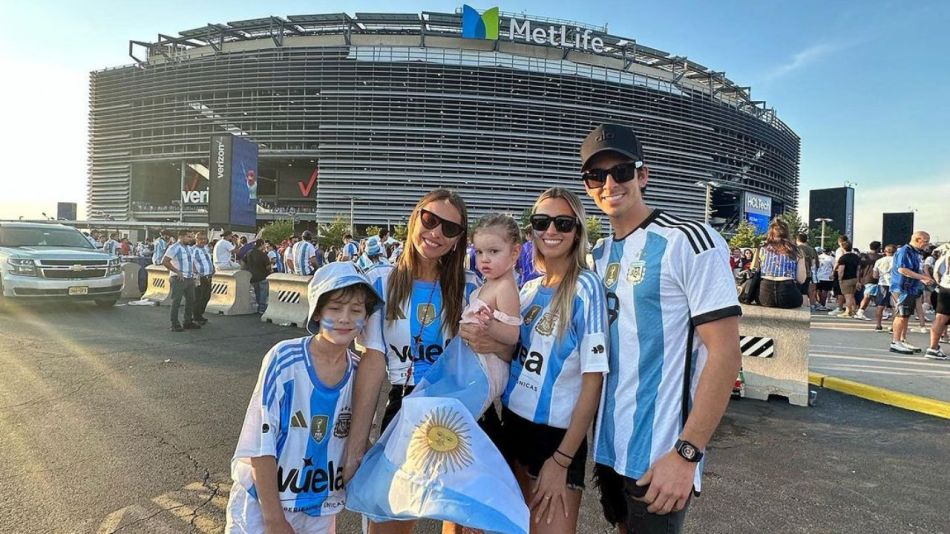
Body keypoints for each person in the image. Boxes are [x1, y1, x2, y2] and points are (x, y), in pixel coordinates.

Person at [578, 124, 741, 533]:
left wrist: (688, 453)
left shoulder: (689, 240)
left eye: (622, 171)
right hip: (608, 447)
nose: (610, 183)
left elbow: (725, 353)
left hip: (660, 453)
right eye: (597, 176)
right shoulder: (598, 254)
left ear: (643, 175)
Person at [343, 189, 480, 534]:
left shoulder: (472, 286)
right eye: (430, 220)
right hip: (403, 406)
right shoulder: (381, 282)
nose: (436, 233)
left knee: (464, 519)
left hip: (458, 410)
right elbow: (373, 364)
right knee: (392, 517)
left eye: (449, 229)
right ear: (415, 218)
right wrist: (357, 447)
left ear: (458, 240)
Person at [225, 262, 384, 534]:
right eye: (335, 308)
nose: (345, 318)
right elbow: (260, 443)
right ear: (318, 312)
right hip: (263, 506)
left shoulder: (361, 372)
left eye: (356, 310)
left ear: (366, 318)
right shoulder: (284, 359)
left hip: (321, 509)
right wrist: (274, 519)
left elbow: (358, 441)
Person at [486, 189, 608, 532]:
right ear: (531, 231)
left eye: (563, 223)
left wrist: (563, 460)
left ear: (578, 231)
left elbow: (593, 380)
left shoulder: (586, 288)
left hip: (555, 440)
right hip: (512, 428)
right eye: (542, 222)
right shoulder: (526, 290)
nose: (551, 230)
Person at [461, 214, 523, 411]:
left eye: (493, 251)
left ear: (514, 253)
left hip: (490, 368)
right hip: (477, 364)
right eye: (479, 252)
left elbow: (513, 334)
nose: (484, 259)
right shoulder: (490, 283)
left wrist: (491, 327)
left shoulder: (505, 286)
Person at [890, 231, 934, 354]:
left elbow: (917, 269)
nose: (927, 244)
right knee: (901, 314)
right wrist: (923, 278)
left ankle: (902, 339)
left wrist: (923, 279)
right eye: (925, 241)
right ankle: (895, 342)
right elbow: (902, 269)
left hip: (911, 287)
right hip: (902, 287)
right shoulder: (905, 251)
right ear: (917, 239)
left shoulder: (915, 252)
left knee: (906, 315)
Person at [751, 219, 806, 309]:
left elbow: (753, 268)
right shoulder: (797, 251)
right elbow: (801, 279)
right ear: (787, 233)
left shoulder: (763, 248)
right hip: (788, 294)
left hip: (764, 295)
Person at [162, 229, 199, 332]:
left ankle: (188, 321)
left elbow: (191, 262)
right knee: (176, 301)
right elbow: (165, 261)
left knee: (191, 300)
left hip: (189, 277)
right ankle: (174, 324)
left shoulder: (189, 248)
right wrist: (176, 271)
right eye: (189, 237)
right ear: (181, 237)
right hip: (178, 278)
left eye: (191, 237)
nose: (191, 239)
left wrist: (195, 272)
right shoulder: (174, 247)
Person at [925, 249, 950, 359]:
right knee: (941, 318)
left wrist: (940, 282)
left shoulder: (945, 253)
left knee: (940, 318)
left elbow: (936, 271)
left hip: (945, 286)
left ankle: (933, 348)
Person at [869, 245, 896, 332]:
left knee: (880, 306)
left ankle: (878, 325)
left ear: (885, 251)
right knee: (894, 306)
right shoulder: (897, 261)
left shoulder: (879, 261)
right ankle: (893, 326)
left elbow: (875, 275)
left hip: (882, 284)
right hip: (895, 284)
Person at [833, 241, 862, 318]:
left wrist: (840, 279)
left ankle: (848, 311)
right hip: (855, 278)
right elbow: (858, 270)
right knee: (852, 295)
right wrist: (858, 280)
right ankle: (853, 310)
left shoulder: (843, 258)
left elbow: (841, 269)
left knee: (848, 296)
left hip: (846, 279)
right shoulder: (856, 257)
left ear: (843, 248)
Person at [855, 242, 883, 319]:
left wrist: (858, 280)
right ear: (878, 248)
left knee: (871, 295)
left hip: (864, 278)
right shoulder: (879, 257)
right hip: (873, 279)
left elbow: (859, 269)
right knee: (868, 296)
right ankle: (860, 311)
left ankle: (884, 311)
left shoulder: (864, 256)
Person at [192, 232, 214, 326]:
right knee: (198, 297)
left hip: (208, 276)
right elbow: (191, 262)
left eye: (204, 239)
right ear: (196, 239)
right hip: (199, 277)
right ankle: (196, 316)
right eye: (200, 239)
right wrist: (196, 272)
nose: (202, 241)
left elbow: (208, 260)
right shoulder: (192, 249)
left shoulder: (206, 248)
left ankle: (200, 314)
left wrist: (212, 268)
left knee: (206, 296)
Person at [246, 239, 272, 314]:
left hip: (253, 276)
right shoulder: (263, 254)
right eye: (264, 244)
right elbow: (268, 266)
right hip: (263, 276)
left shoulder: (249, 252)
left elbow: (243, 262)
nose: (265, 246)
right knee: (263, 293)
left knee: (257, 292)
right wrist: (270, 271)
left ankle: (259, 307)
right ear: (261, 244)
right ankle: (262, 308)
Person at [796, 234, 819, 310]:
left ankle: (799, 308)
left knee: (797, 291)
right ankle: (805, 309)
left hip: (798, 273)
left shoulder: (797, 248)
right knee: (804, 292)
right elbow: (814, 263)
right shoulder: (812, 249)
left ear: (797, 240)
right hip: (808, 273)